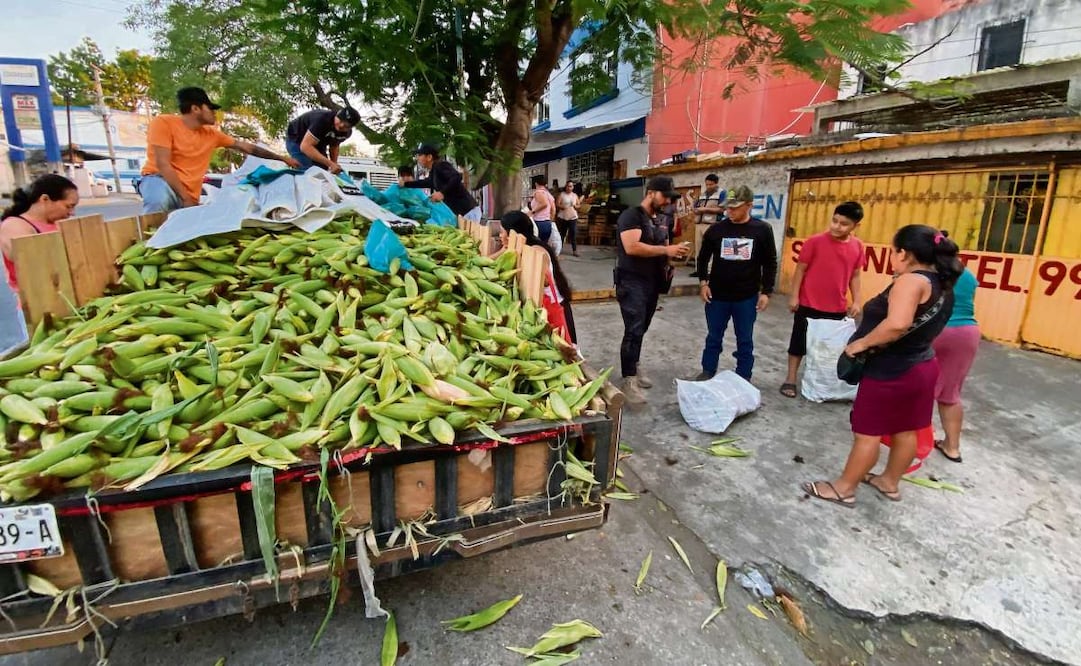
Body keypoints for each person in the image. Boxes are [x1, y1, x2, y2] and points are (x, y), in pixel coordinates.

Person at [802, 225, 962, 507]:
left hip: (890, 370)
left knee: (867, 433)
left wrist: (860, 345)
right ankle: (889, 482)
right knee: (906, 429)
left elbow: (897, 324)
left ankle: (844, 488)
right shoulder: (943, 283)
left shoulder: (911, 282)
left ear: (904, 253)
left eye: (893, 251)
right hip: (922, 367)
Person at [140, 87, 299, 214]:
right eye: (210, 108)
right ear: (195, 108)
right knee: (158, 200)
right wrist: (185, 198)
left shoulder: (211, 135)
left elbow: (247, 147)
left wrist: (282, 158)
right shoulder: (163, 123)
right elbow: (163, 164)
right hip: (161, 181)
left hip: (189, 194)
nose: (214, 113)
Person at [615, 176, 690, 404]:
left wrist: (676, 254)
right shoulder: (631, 216)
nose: (667, 200)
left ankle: (634, 366)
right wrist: (666, 250)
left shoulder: (661, 218)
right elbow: (632, 247)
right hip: (632, 281)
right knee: (634, 328)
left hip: (653, 281)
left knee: (643, 327)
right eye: (665, 195)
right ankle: (628, 379)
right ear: (651, 192)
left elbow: (664, 246)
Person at [781, 201, 866, 398]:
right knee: (798, 343)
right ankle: (791, 379)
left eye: (843, 223)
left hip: (836, 307)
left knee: (827, 348)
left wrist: (856, 300)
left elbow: (855, 275)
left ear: (856, 226)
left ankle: (822, 383)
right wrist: (794, 296)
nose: (837, 226)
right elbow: (800, 269)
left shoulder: (857, 246)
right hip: (808, 304)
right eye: (834, 221)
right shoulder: (815, 241)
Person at [694, 185, 777, 381]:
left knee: (745, 340)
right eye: (727, 208)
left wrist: (766, 292)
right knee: (714, 337)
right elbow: (703, 258)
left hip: (746, 297)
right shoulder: (716, 230)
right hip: (717, 296)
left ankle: (743, 376)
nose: (729, 211)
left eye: (734, 208)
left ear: (749, 205)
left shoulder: (762, 230)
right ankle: (708, 370)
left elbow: (770, 262)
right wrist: (703, 283)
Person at [499, 211, 577, 345]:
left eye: (502, 232)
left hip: (552, 310)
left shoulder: (536, 250)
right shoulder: (520, 249)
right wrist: (504, 251)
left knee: (566, 351)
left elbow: (545, 280)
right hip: (540, 312)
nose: (500, 236)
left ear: (513, 233)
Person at [932, 261, 979, 463]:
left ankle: (910, 443)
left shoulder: (927, 272)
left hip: (936, 330)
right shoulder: (967, 274)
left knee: (919, 388)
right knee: (950, 393)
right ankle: (952, 447)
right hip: (967, 332)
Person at [1, 175, 79, 294]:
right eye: (69, 206)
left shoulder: (57, 224)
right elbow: (30, 263)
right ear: (45, 199)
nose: (72, 213)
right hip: (40, 303)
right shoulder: (15, 225)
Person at [406, 143, 482, 222]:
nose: (417, 158)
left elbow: (456, 177)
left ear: (429, 157)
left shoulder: (441, 165)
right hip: (461, 214)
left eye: (420, 155)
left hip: (468, 212)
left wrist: (442, 193)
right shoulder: (433, 172)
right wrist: (406, 184)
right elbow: (426, 182)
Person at [284, 107, 360, 173]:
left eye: (346, 126)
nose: (341, 126)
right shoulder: (322, 119)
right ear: (337, 116)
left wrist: (334, 164)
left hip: (318, 143)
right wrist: (330, 164)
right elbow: (305, 147)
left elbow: (334, 146)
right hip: (296, 138)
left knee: (323, 169)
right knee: (307, 169)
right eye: (340, 121)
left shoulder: (346, 133)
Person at [690, 174, 725, 278]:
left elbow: (722, 209)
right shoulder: (703, 194)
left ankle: (709, 271)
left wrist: (705, 210)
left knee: (710, 248)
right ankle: (698, 269)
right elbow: (696, 205)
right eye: (707, 184)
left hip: (712, 224)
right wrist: (694, 208)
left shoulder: (722, 193)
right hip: (699, 223)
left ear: (716, 183)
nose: (708, 186)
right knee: (698, 247)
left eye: (710, 184)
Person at [556, 180, 580, 257]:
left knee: (573, 233)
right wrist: (563, 207)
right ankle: (559, 249)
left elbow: (578, 205)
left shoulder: (575, 195)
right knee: (562, 234)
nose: (569, 188)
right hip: (563, 217)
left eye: (571, 186)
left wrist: (575, 206)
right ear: (565, 187)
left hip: (573, 217)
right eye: (568, 186)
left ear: (573, 187)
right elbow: (557, 204)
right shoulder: (562, 195)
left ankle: (574, 250)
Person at [529, 175, 556, 244]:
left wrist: (532, 211)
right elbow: (553, 209)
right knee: (544, 245)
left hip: (539, 222)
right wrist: (550, 220)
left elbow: (544, 204)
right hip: (547, 223)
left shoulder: (538, 192)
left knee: (537, 246)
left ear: (536, 183)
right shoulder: (548, 194)